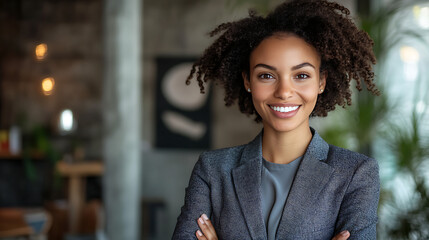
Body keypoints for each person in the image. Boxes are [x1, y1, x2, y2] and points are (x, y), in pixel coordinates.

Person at [173, 0, 380, 239]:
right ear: (248, 81)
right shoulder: (212, 170)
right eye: (266, 75)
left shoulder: (355, 173)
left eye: (301, 75)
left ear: (321, 82)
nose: (284, 91)